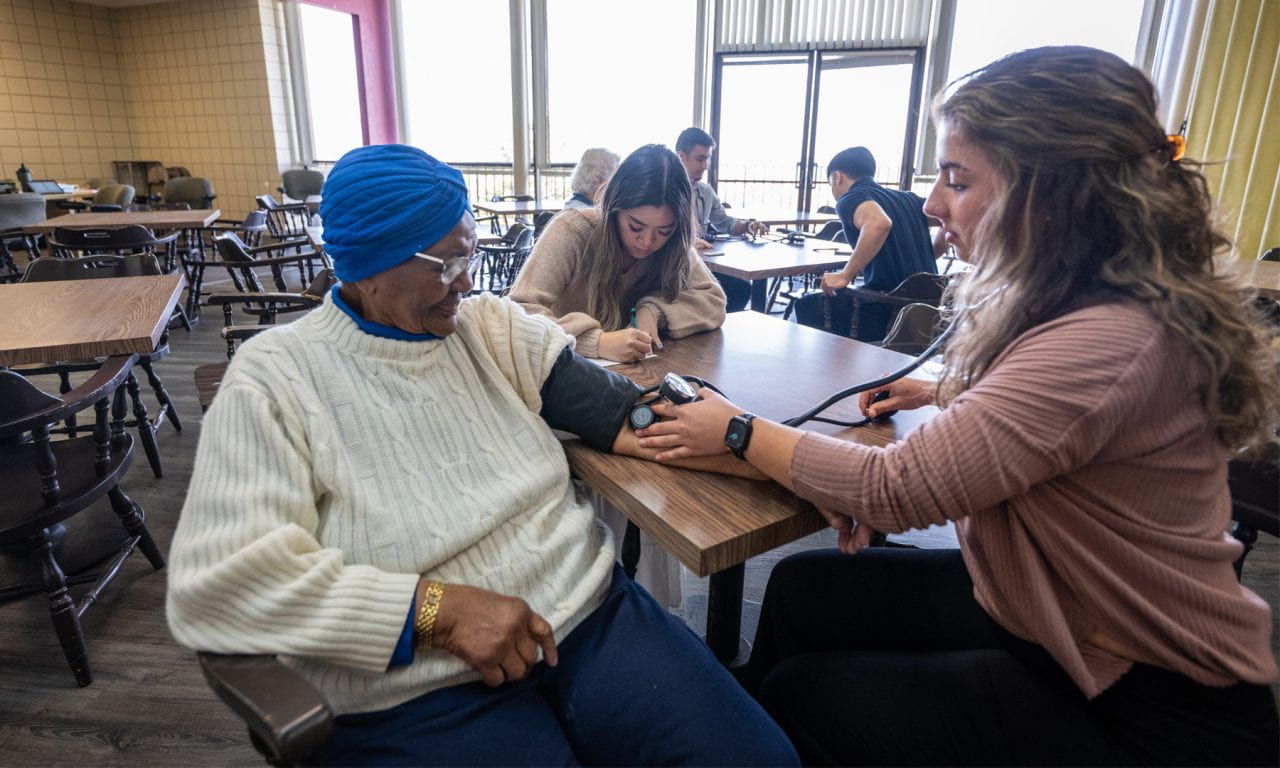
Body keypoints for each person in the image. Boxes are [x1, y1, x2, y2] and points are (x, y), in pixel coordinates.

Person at [633, 46, 1279, 766]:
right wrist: (948, 390)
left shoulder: (1107, 341)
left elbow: (896, 487)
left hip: (1153, 709)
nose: (934, 203)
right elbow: (1060, 421)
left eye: (957, 178)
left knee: (809, 692)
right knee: (800, 590)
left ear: (1054, 193)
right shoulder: (1091, 305)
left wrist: (740, 430)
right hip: (1061, 620)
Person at [166, 144, 798, 767]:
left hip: (589, 615)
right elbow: (218, 587)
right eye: (442, 266)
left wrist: (800, 467)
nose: (465, 284)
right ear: (366, 267)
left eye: (467, 256)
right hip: (420, 687)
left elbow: (637, 422)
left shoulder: (490, 328)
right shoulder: (274, 379)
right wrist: (436, 611)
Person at [509, 143, 726, 363]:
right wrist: (596, 341)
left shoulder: (674, 243)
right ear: (614, 208)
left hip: (635, 375)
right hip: (564, 375)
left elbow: (713, 301)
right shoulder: (572, 230)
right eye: (635, 227)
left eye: (663, 231)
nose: (647, 241)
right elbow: (517, 311)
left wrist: (654, 311)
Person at [807, 145, 943, 341]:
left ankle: (837, 371)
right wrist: (932, 253)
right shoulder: (908, 198)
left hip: (887, 312)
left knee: (807, 305)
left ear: (838, 177)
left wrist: (845, 275)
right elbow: (949, 217)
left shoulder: (850, 198)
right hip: (927, 316)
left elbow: (879, 223)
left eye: (830, 184)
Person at [675, 127, 767, 312]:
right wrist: (688, 241)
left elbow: (725, 223)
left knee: (740, 288)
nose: (706, 165)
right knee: (732, 289)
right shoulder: (665, 190)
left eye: (708, 158)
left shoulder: (706, 191)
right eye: (700, 159)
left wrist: (748, 226)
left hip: (700, 263)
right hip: (674, 267)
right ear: (681, 156)